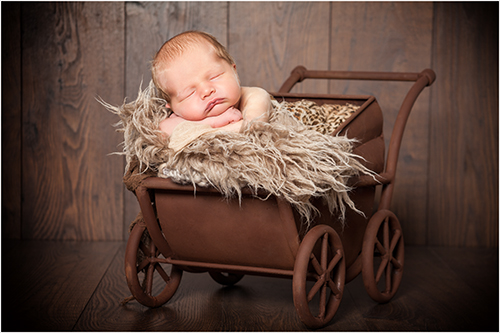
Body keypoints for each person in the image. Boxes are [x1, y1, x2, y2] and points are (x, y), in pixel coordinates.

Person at [151, 31, 271, 137]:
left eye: (215, 77)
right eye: (189, 93)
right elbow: (162, 131)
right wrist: (214, 121)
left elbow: (254, 125)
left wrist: (206, 132)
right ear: (172, 107)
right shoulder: (178, 119)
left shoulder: (251, 95)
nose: (207, 91)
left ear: (234, 72)